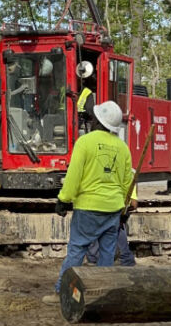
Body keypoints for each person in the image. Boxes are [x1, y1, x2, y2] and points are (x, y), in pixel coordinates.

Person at [44, 99, 134, 303]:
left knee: (77, 251)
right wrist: (125, 208)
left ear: (97, 121)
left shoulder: (84, 142)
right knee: (107, 254)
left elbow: (74, 175)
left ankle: (62, 293)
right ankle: (102, 294)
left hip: (88, 208)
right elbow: (126, 182)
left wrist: (63, 199)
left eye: (94, 118)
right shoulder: (123, 148)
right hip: (113, 209)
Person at [75, 60, 95, 134]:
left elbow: (90, 112)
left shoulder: (87, 92)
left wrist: (82, 114)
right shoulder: (64, 90)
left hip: (80, 119)